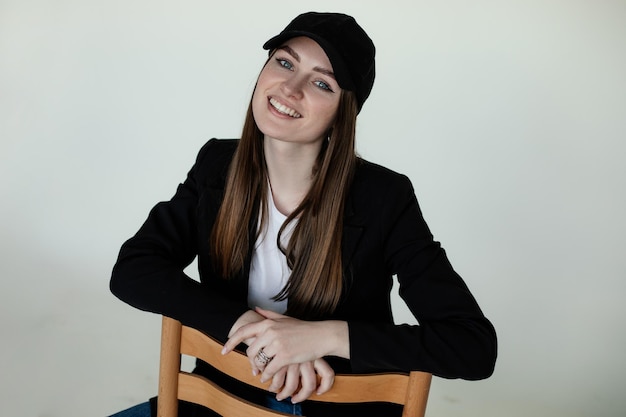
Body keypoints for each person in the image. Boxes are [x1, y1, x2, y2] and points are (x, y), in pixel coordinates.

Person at [109, 11, 497, 417]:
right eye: (284, 62)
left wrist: (323, 338)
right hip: (221, 398)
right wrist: (250, 328)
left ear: (342, 113)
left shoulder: (384, 198)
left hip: (334, 406)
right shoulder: (216, 166)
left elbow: (471, 346)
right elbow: (134, 271)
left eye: (320, 82)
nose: (290, 88)